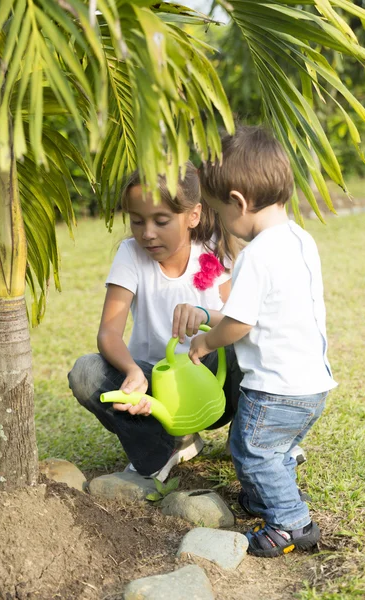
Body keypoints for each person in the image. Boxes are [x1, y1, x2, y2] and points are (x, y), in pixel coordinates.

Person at [188, 125, 337, 557]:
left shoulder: (257, 254)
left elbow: (240, 323)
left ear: (238, 202)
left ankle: (291, 522)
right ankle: (262, 497)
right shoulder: (300, 241)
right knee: (279, 449)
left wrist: (206, 341)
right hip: (311, 383)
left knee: (252, 450)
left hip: (274, 387)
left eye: (220, 211)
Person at [68, 162, 243, 482]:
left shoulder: (213, 250)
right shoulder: (130, 255)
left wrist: (204, 316)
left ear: (193, 215)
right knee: (85, 372)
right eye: (137, 221)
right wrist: (134, 372)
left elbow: (237, 321)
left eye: (161, 221)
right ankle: (168, 444)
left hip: (212, 383)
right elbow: (109, 333)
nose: (147, 233)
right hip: (157, 388)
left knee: (244, 346)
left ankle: (247, 441)